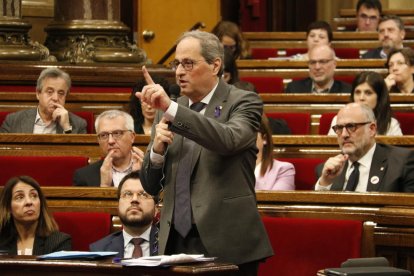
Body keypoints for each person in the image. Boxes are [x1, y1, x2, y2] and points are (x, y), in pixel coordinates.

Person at [137, 30, 273, 274]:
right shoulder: (167, 110)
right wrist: (156, 151)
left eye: (188, 63)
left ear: (215, 65)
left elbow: (228, 140)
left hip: (227, 242)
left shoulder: (244, 101)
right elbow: (149, 186)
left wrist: (172, 109)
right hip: (174, 241)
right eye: (176, 63)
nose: (179, 72)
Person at [316, 102, 414, 192]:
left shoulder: (401, 163)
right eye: (339, 128)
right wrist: (325, 183)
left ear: (371, 129)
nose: (344, 134)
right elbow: (315, 210)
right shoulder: (327, 170)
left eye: (351, 126)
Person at [90, 171, 158, 258]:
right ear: (118, 207)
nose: (134, 199)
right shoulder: (99, 250)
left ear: (156, 209)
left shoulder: (173, 247)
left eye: (143, 194)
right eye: (127, 194)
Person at [0, 68, 87, 134]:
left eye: (61, 93)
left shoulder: (78, 124)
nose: (56, 98)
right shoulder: (13, 121)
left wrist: (66, 128)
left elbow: (78, 156)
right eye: (50, 92)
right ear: (38, 93)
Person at [0, 175, 71, 255]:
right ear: (8, 207)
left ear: (40, 204)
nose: (29, 202)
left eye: (34, 196)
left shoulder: (59, 242)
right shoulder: (1, 242)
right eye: (20, 197)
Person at [73, 110, 144, 187]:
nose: (111, 141)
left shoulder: (150, 172)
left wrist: (141, 176)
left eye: (117, 133)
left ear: (132, 136)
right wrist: (104, 186)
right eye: (104, 135)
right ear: (98, 140)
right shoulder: (84, 176)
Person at [328, 71, 402, 136]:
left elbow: (399, 151)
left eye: (368, 93)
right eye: (357, 92)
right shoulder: (338, 120)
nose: (361, 98)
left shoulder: (391, 125)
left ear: (379, 97)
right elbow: (330, 150)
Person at [285, 45, 352, 93]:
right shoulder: (294, 89)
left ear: (334, 64)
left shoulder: (348, 91)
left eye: (322, 62)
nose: (317, 67)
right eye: (313, 62)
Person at [255, 115, 295, 190]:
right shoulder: (228, 169)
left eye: (248, 133)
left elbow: (276, 200)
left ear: (264, 139)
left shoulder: (283, 170)